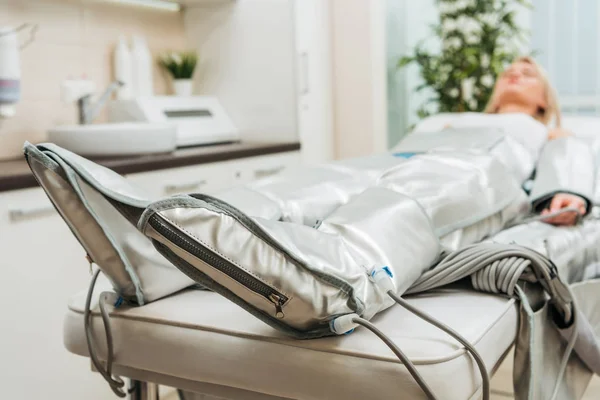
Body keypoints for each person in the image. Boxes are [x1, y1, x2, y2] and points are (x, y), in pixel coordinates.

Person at [415, 56, 588, 226]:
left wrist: (565, 194)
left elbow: (566, 161)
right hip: (420, 172)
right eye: (507, 74)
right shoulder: (455, 122)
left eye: (527, 74)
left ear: (544, 100)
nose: (515, 76)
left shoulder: (550, 133)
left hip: (474, 184)